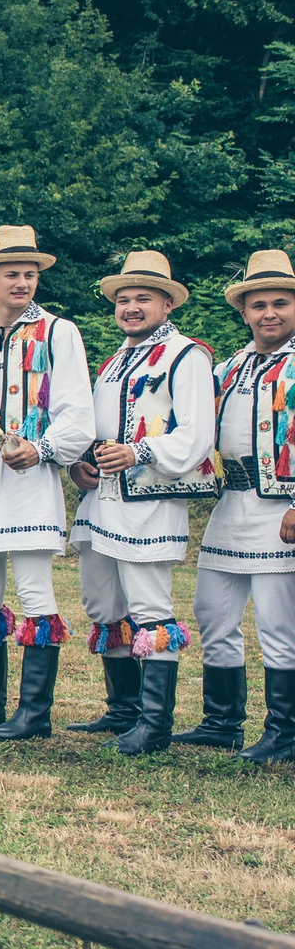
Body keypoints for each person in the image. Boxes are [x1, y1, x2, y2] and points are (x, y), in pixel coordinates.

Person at [0, 226, 95, 741]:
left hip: (29, 475)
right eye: (12, 272)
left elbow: (77, 410)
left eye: (31, 274)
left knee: (34, 588)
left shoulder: (58, 332)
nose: (23, 282)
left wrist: (44, 448)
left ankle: (34, 713)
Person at [69, 250, 218, 756]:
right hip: (102, 497)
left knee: (149, 606)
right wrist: (81, 463)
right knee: (104, 602)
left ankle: (154, 726)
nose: (132, 307)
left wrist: (139, 451)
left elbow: (197, 435)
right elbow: (94, 429)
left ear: (168, 303)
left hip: (150, 497)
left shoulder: (186, 355)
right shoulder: (116, 361)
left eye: (144, 298)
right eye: (124, 299)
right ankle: (124, 710)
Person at [185, 251, 295, 760]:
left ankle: (285, 733)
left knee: (278, 622)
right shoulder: (230, 367)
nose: (269, 313)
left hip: (281, 504)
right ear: (244, 311)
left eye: (280, 303)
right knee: (212, 611)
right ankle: (222, 721)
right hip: (231, 501)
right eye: (259, 305)